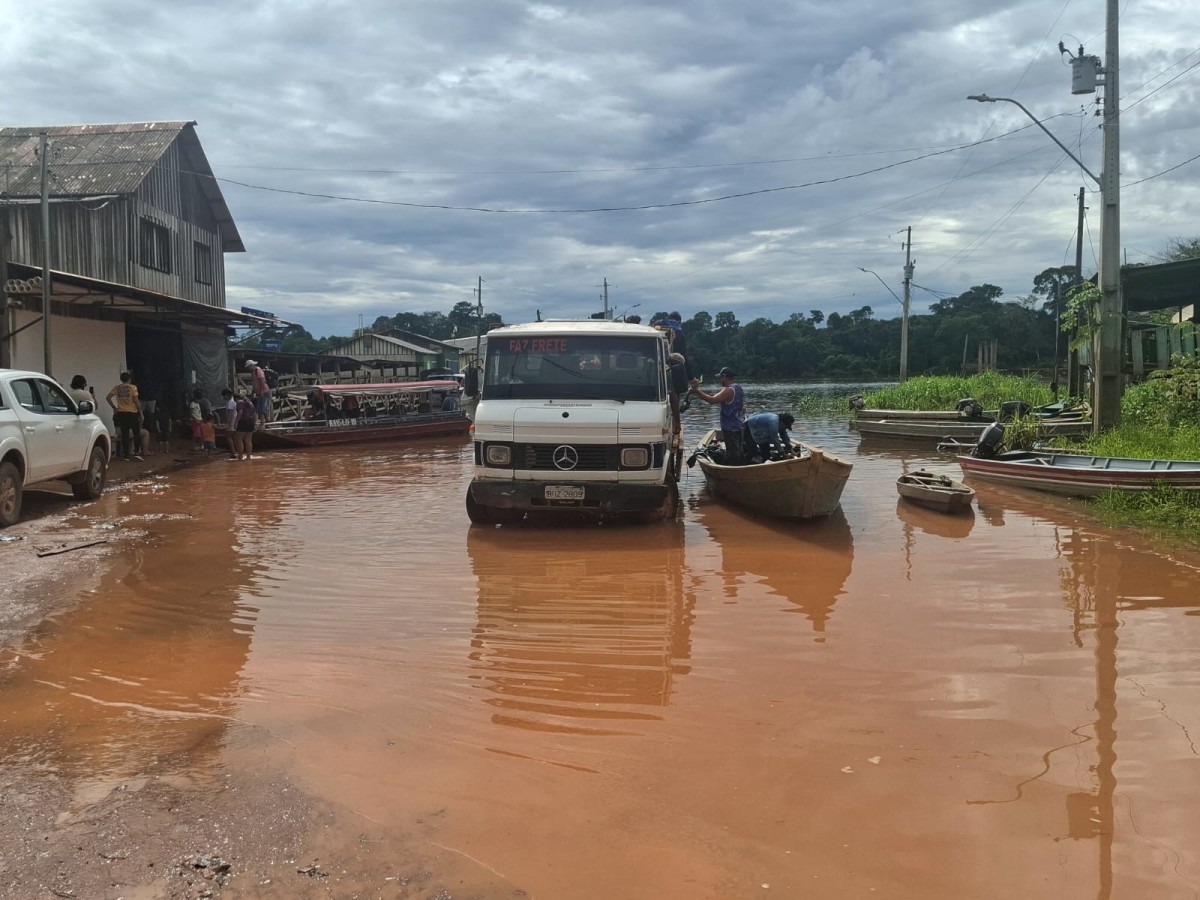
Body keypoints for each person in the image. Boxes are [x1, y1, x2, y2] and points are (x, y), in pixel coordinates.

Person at [690, 367, 745, 463]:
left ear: (724, 377)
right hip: (739, 426)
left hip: (730, 428)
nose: (720, 380)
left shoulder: (728, 390)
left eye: (720, 378)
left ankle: (732, 469)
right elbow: (742, 408)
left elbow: (712, 400)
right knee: (738, 453)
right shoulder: (739, 388)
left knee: (733, 456)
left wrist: (697, 391)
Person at [106, 372, 143, 461]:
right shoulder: (133, 387)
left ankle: (126, 455)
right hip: (132, 412)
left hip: (121, 412)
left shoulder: (117, 388)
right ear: (129, 379)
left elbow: (108, 397)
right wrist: (140, 412)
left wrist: (114, 407)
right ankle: (136, 452)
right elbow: (136, 401)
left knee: (124, 433)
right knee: (136, 432)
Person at [231, 391, 256, 460]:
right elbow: (254, 414)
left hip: (243, 422)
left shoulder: (239, 402)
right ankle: (248, 456)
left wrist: (236, 422)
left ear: (236, 398)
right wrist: (254, 423)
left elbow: (240, 412)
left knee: (239, 439)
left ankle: (240, 456)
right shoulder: (250, 403)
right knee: (248, 440)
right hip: (250, 422)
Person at [221, 388, 238, 458]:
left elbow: (230, 414)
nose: (223, 397)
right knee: (234, 437)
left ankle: (233, 452)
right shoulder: (233, 402)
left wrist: (228, 424)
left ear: (228, 395)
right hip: (234, 421)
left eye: (224, 395)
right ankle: (236, 451)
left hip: (232, 422)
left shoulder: (230, 403)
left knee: (229, 437)